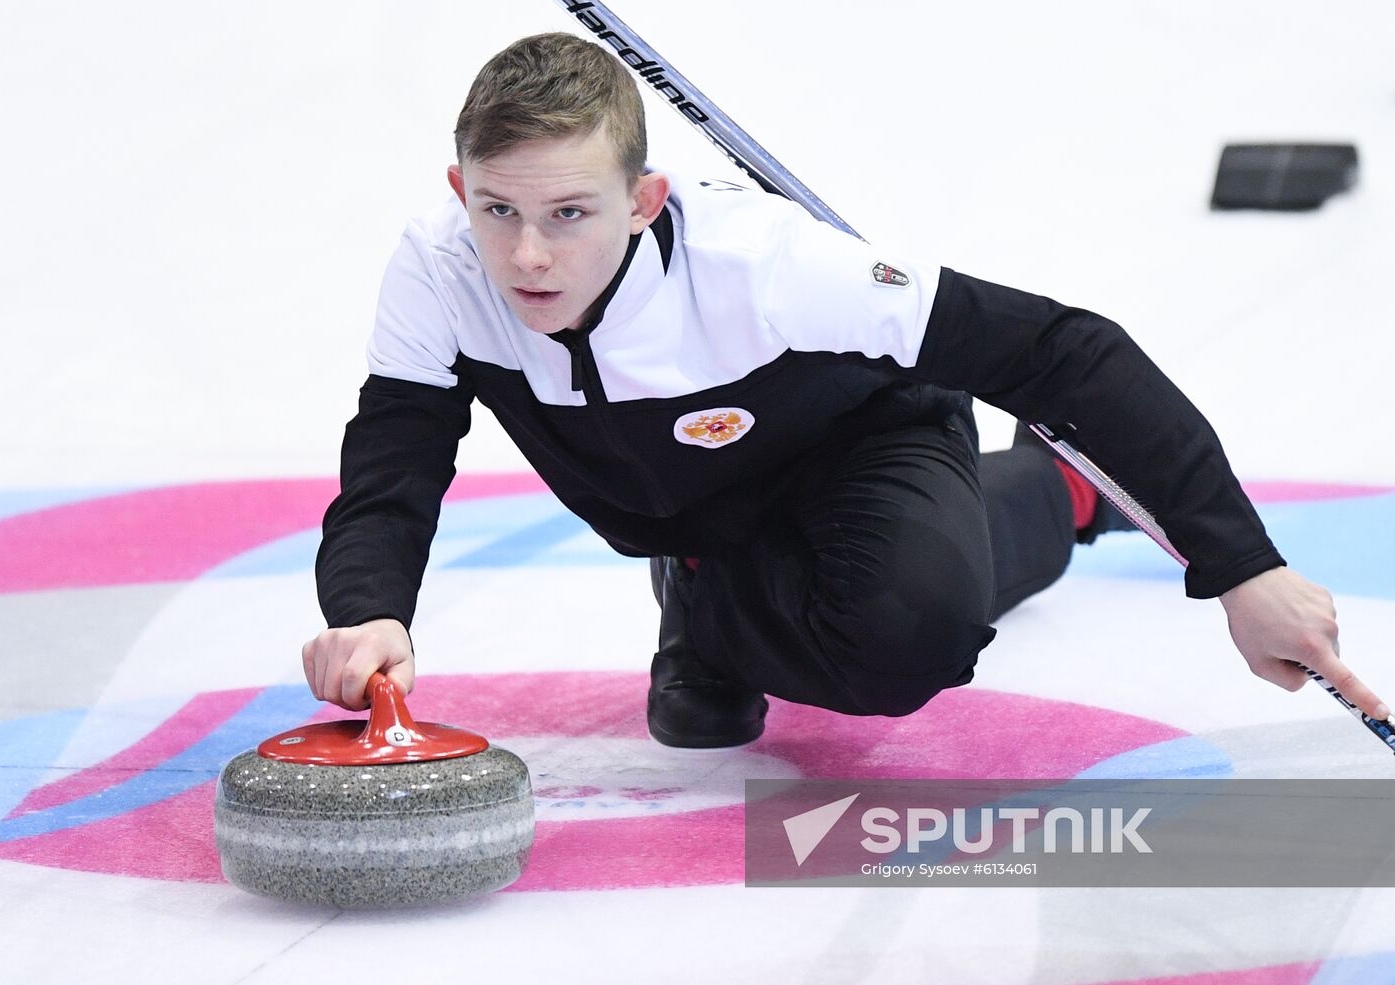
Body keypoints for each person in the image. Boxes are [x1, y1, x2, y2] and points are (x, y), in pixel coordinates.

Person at [302, 32, 1387, 748]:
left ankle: (1045, 495)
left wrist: (1241, 564)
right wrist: (366, 612)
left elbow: (1066, 351)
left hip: (857, 443)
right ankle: (707, 606)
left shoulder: (763, 265)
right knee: (756, 631)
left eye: (569, 213)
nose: (527, 255)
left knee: (908, 635)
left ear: (643, 198)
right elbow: (393, 463)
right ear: (459, 190)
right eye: (497, 210)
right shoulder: (441, 270)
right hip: (677, 507)